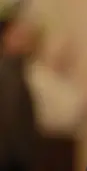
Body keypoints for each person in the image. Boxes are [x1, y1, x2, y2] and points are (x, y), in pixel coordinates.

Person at [0, 17, 38, 171]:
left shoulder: (20, 72)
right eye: (19, 35)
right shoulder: (8, 75)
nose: (26, 40)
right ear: (6, 38)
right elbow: (11, 121)